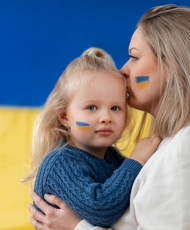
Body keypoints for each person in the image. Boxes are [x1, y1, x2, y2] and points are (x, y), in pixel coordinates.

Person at [28, 4, 190, 230]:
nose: (123, 70)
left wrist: (76, 227)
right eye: (91, 107)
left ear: (171, 64)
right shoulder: (178, 143)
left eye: (134, 57)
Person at [21, 47, 161, 227]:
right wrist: (137, 160)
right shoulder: (60, 163)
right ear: (65, 117)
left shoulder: (112, 158)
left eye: (115, 108)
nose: (106, 117)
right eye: (92, 107)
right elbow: (101, 209)